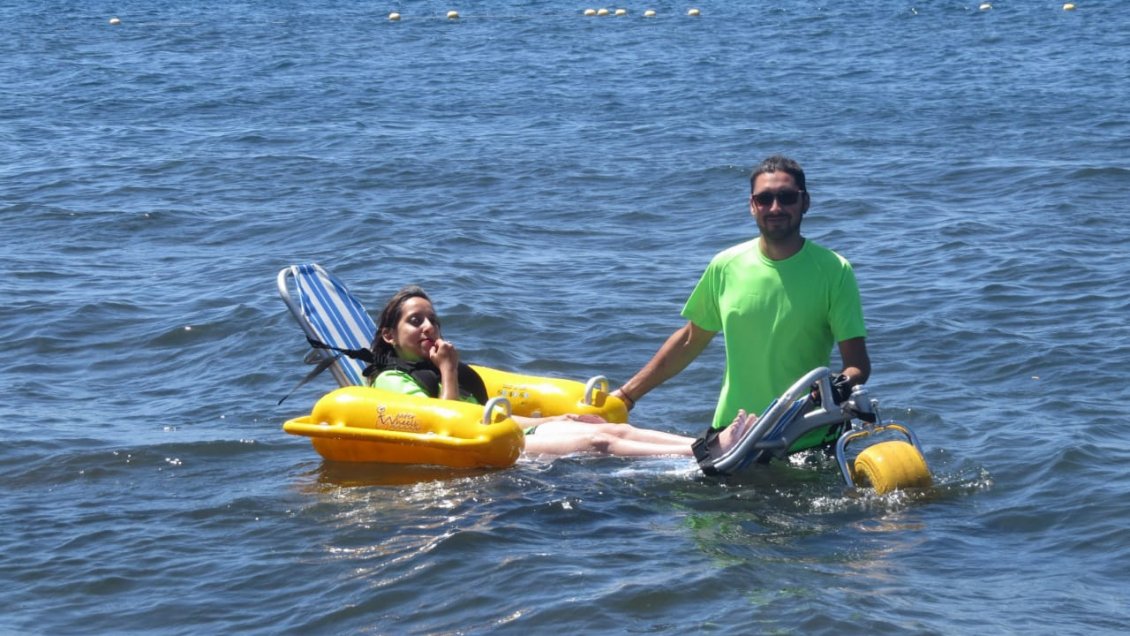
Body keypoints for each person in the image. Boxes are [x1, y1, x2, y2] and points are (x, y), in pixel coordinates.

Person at [611, 154, 871, 453]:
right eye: (765, 199)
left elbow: (858, 366)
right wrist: (627, 396)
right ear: (752, 206)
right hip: (732, 435)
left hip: (805, 438)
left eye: (786, 197)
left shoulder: (835, 270)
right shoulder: (725, 265)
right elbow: (689, 341)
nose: (775, 208)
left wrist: (835, 387)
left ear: (805, 202)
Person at [364, 285, 757, 458]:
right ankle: (703, 456)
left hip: (509, 433)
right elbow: (446, 425)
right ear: (389, 334)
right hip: (495, 450)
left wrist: (557, 416)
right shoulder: (392, 380)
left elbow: (489, 415)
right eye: (415, 321)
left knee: (612, 429)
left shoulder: (436, 367)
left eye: (432, 318)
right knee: (596, 443)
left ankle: (708, 444)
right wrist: (448, 371)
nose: (429, 327)